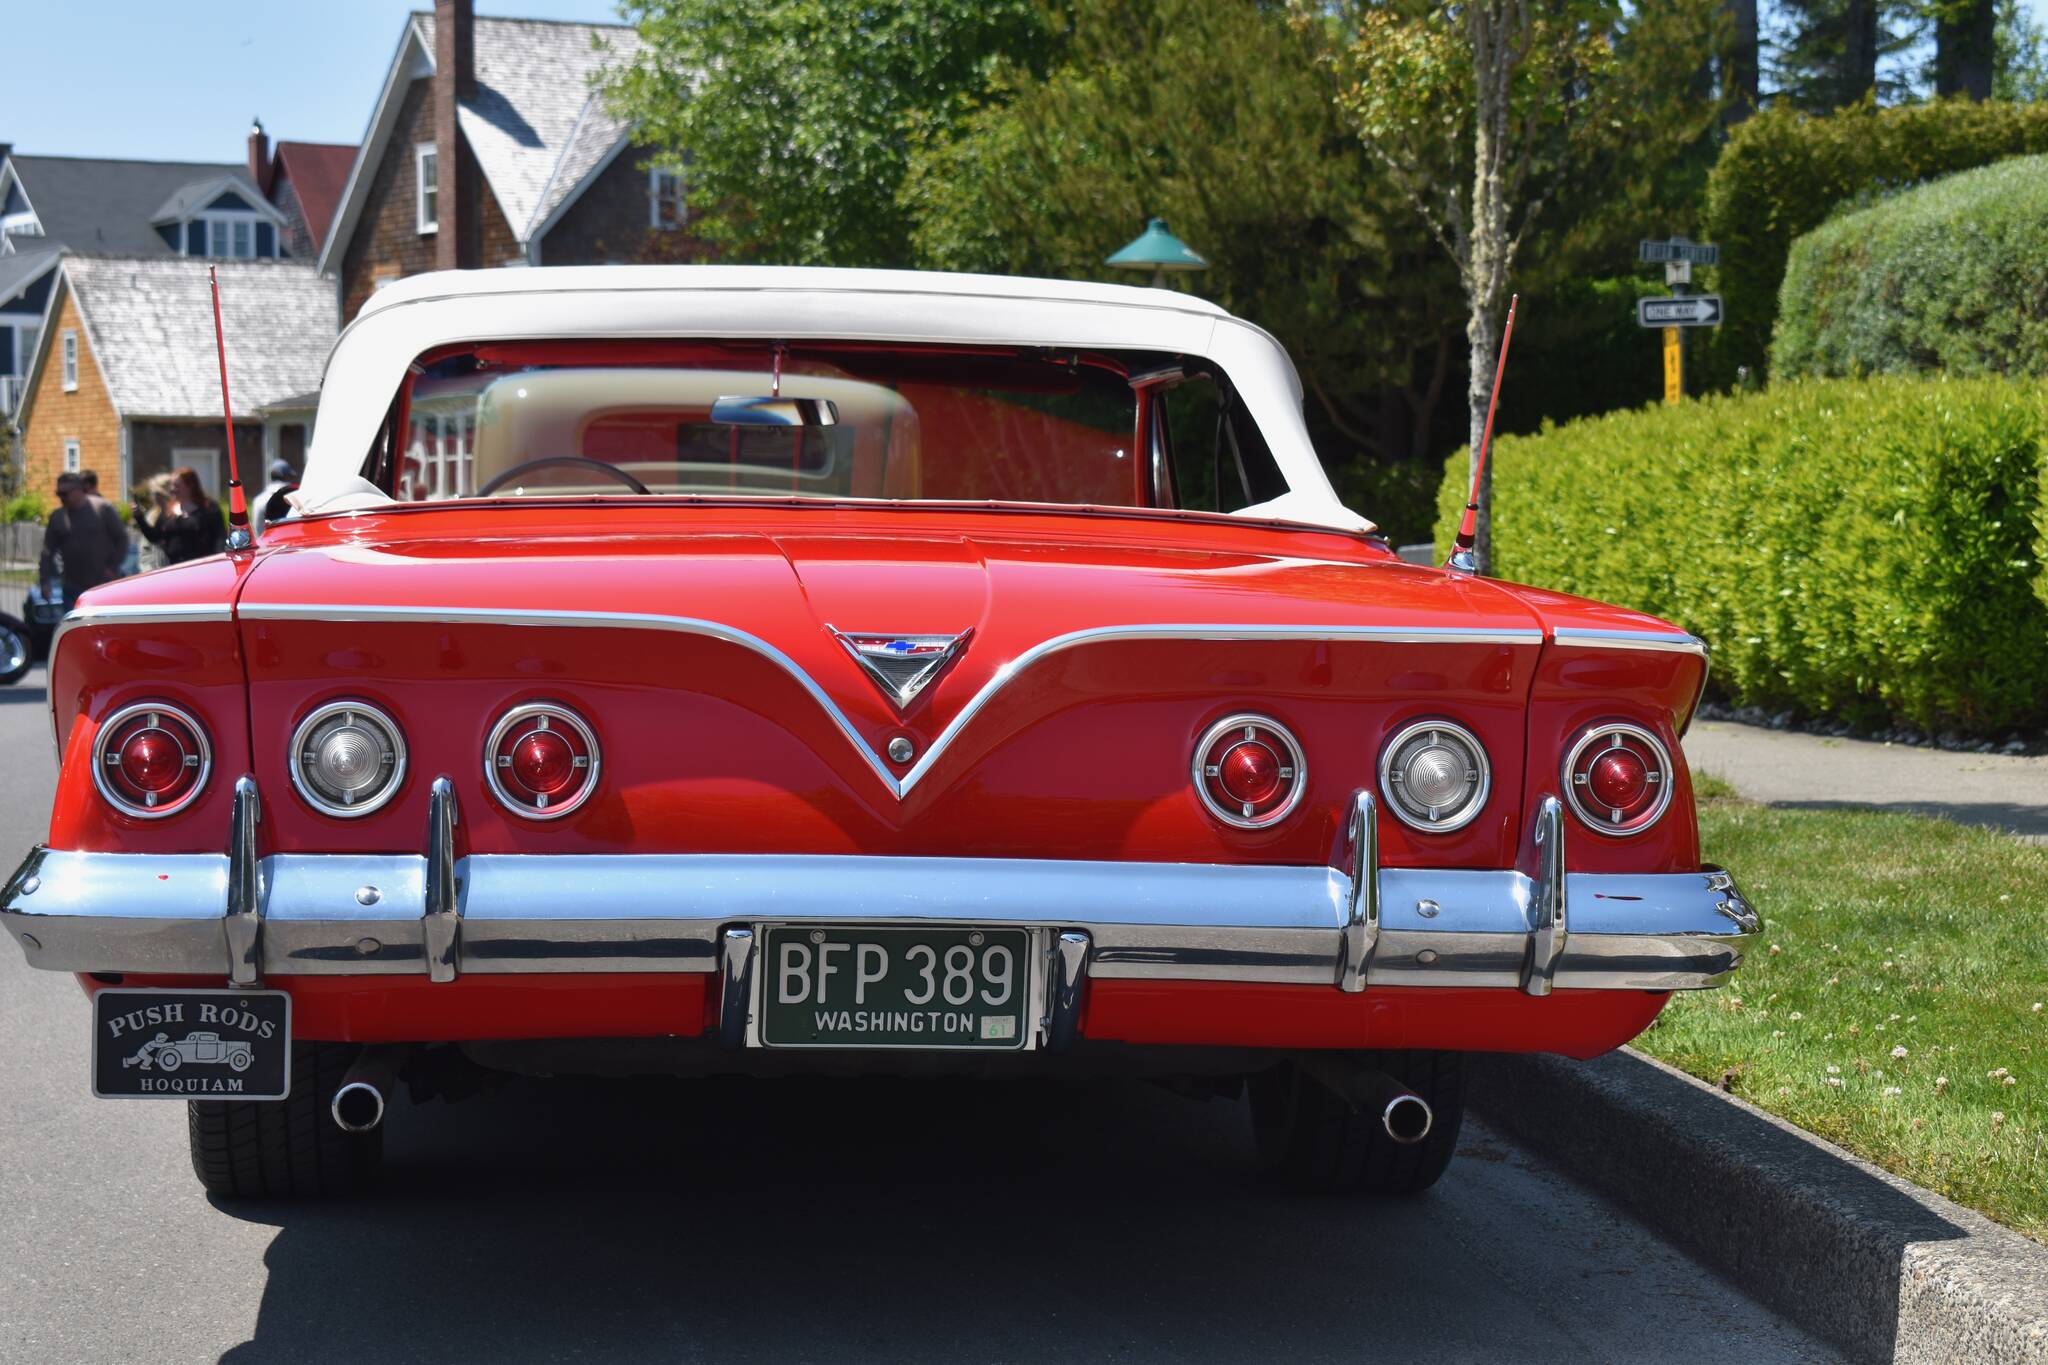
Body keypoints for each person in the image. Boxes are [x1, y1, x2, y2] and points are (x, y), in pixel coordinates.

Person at [39, 472, 128, 608]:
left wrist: (113, 567)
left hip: (103, 585)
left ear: (79, 490)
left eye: (65, 494)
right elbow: (47, 552)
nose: (61, 498)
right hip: (72, 587)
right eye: (58, 494)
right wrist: (44, 581)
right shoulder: (57, 518)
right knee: (77, 627)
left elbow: (121, 538)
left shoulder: (102, 509)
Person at [134, 466, 227, 564]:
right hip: (174, 567)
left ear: (190, 485)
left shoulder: (209, 509)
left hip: (201, 566)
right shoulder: (168, 510)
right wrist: (139, 518)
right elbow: (154, 537)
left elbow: (220, 538)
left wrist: (219, 562)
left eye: (176, 485)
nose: (172, 489)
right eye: (172, 485)